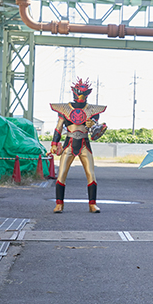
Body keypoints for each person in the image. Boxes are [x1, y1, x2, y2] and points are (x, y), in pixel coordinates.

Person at [50, 78, 107, 213]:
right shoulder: (64, 109)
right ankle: (59, 204)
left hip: (84, 144)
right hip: (69, 143)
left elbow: (96, 130)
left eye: (84, 93)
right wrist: (54, 143)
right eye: (80, 93)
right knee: (62, 174)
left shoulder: (92, 110)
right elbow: (58, 128)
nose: (81, 96)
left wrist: (93, 125)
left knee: (90, 174)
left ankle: (92, 204)